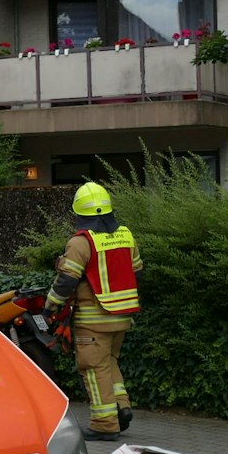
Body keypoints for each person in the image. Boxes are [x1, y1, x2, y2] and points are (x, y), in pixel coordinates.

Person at [43, 181, 141, 440]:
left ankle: (104, 424)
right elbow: (137, 272)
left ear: (79, 214)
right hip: (122, 316)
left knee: (93, 369)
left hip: (93, 320)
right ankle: (122, 408)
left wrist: (50, 306)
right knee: (109, 363)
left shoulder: (80, 243)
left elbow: (66, 281)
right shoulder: (125, 236)